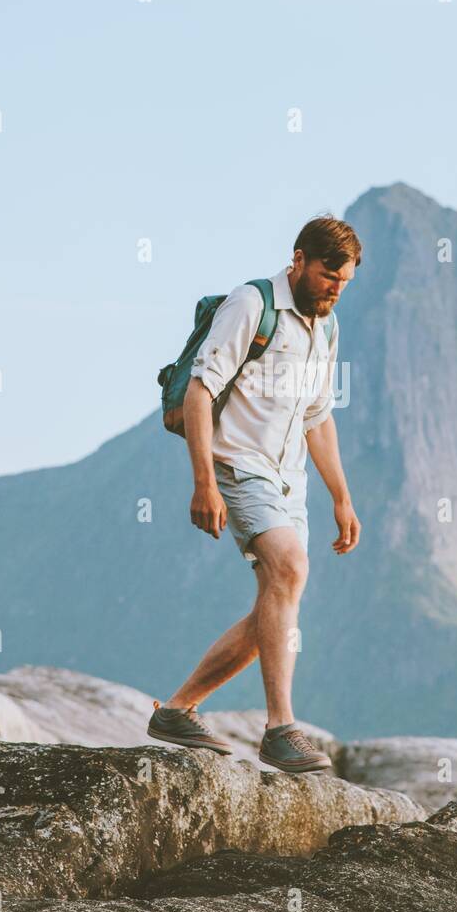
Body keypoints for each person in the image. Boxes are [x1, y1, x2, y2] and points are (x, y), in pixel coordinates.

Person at [148, 215, 362, 772]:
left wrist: (341, 495)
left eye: (344, 280)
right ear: (298, 260)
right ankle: (280, 728)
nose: (335, 288)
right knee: (290, 571)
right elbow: (199, 391)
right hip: (237, 466)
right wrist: (203, 482)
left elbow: (318, 417)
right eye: (326, 275)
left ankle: (177, 709)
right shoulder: (252, 304)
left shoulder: (327, 327)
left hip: (290, 480)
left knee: (276, 603)